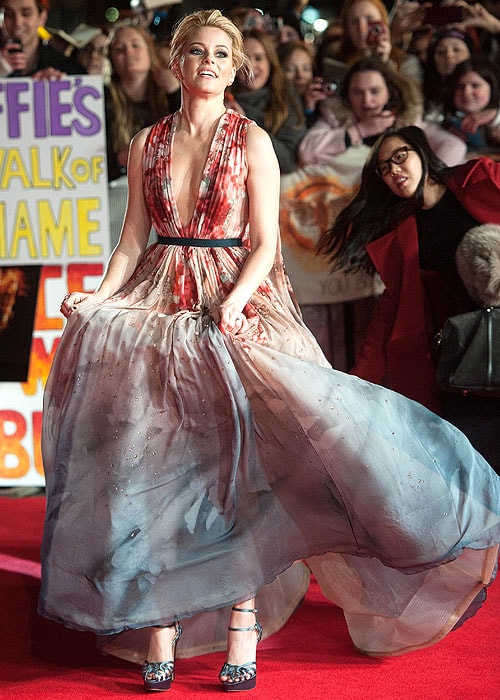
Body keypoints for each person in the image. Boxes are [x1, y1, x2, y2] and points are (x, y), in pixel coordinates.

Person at [38, 10, 499, 695]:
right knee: (155, 460)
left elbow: (265, 244)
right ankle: (159, 615)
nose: (209, 62)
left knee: (243, 463)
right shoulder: (148, 142)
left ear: (237, 66)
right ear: (176, 62)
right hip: (161, 299)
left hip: (238, 296)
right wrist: (103, 298)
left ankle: (242, 623)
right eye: (195, 51)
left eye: (222, 53)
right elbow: (134, 238)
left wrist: (232, 301)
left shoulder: (251, 140)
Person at [320, 124, 500, 470]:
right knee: (475, 466)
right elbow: (391, 311)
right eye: (384, 169)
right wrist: (358, 382)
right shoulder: (401, 236)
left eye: (400, 157)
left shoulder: (480, 178)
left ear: (422, 150)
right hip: (464, 363)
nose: (394, 172)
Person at [298, 57, 466, 167]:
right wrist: (360, 130)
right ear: (348, 95)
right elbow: (306, 153)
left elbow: (454, 146)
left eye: (375, 91)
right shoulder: (335, 116)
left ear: (389, 92)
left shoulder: (406, 120)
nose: (366, 101)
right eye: (357, 92)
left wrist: (426, 178)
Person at [104, 22, 180, 182]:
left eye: (135, 45)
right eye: (120, 49)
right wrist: (121, 161)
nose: (129, 52)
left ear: (149, 51)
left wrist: (175, 93)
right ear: (112, 58)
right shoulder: (103, 99)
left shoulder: (170, 92)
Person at [229, 28, 307, 173]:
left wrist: (246, 124)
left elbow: (288, 161)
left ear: (270, 62)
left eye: (258, 58)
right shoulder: (220, 99)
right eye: (244, 59)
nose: (251, 66)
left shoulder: (286, 99)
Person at [336, 0, 423, 85]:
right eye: (354, 22)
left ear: (383, 23)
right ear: (347, 29)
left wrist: (384, 65)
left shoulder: (407, 63)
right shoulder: (336, 63)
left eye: (370, 19)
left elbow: (411, 97)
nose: (362, 29)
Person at [0, 0, 84, 78]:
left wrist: (63, 84)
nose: (17, 23)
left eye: (26, 14)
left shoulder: (66, 67)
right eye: (9, 15)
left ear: (42, 18)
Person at [443, 57, 500, 153]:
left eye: (475, 86)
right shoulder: (440, 118)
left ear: (492, 88)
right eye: (460, 87)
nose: (466, 92)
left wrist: (496, 117)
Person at [276, 39, 330, 125]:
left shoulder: (321, 102)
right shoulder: (273, 105)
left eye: (306, 69)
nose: (300, 76)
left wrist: (310, 107)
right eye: (290, 69)